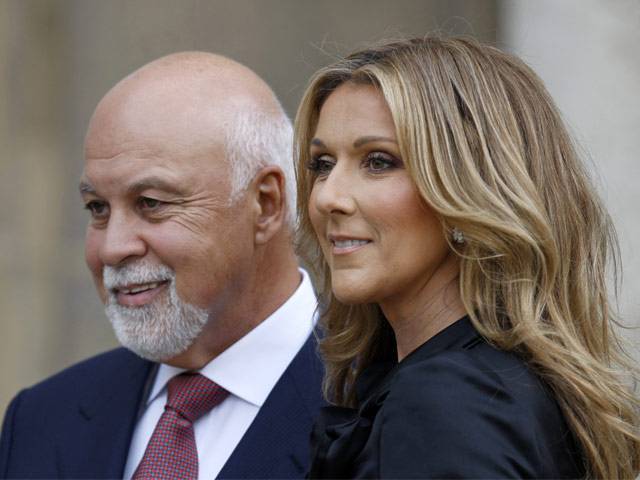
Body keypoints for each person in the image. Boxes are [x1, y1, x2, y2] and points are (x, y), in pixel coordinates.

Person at [293, 36, 640, 479]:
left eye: (379, 161)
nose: (328, 197)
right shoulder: (482, 383)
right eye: (322, 164)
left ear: (471, 192)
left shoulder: (449, 399)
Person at [0, 52, 324, 479]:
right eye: (97, 208)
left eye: (151, 204)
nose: (113, 248)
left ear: (265, 204)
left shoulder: (382, 408)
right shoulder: (42, 418)